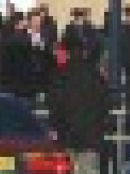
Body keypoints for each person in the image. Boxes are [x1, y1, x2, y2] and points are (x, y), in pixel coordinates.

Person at [47, 41, 110, 174]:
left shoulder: (62, 76)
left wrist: (56, 126)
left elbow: (54, 105)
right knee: (89, 169)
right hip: (90, 137)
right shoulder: (95, 76)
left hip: (67, 136)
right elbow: (105, 103)